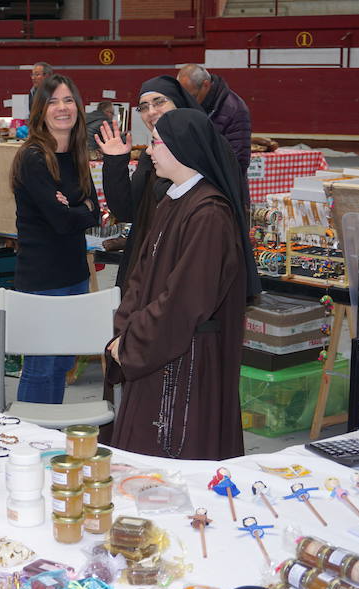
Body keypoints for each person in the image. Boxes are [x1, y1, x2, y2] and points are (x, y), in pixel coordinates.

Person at [105, 108, 261, 461]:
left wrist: (135, 341)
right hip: (156, 342)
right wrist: (124, 330)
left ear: (182, 148)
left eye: (156, 143)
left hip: (184, 355)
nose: (148, 151)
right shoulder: (174, 200)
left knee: (173, 460)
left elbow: (184, 299)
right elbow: (140, 275)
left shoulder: (208, 214)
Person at [10, 73, 100, 404]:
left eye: (67, 100)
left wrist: (74, 209)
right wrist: (80, 209)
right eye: (52, 102)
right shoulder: (33, 157)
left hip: (75, 276)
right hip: (42, 280)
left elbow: (97, 215)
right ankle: (30, 438)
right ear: (40, 111)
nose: (62, 108)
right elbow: (64, 222)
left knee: (62, 364)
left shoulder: (76, 154)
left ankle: (52, 437)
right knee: (40, 367)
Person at [96, 75, 203, 290]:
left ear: (179, 104)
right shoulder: (149, 156)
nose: (151, 112)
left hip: (182, 266)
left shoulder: (202, 151)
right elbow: (126, 210)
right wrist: (115, 161)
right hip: (144, 263)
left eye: (159, 102)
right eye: (144, 107)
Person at [177, 64, 252, 171]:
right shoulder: (188, 104)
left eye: (193, 97)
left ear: (206, 85)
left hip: (222, 182)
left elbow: (239, 160)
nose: (188, 102)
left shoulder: (235, 109)